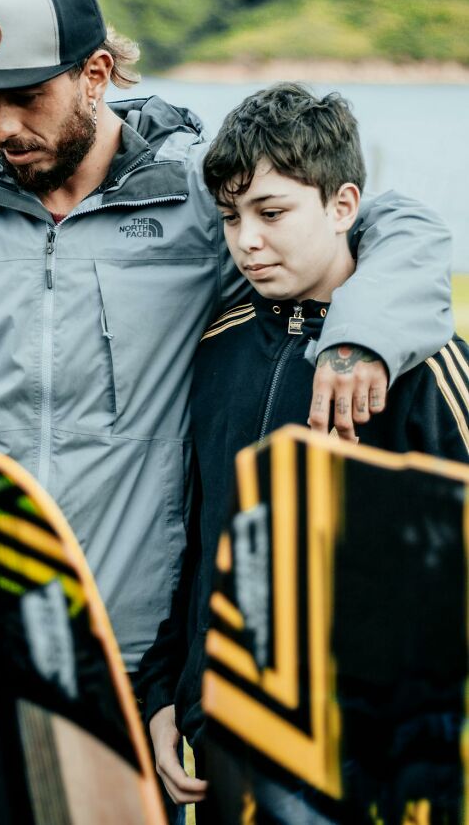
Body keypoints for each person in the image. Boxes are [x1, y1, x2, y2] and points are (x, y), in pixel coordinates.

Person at [0, 0, 453, 683]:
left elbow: (388, 227)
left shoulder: (202, 203)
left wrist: (360, 338)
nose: (3, 127)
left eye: (27, 97)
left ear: (95, 73)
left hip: (128, 651)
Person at [141, 82, 468, 820]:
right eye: (231, 218)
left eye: (272, 212)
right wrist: (165, 694)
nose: (246, 241)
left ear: (343, 206)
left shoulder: (425, 367)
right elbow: (192, 541)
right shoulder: (215, 349)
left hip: (377, 764)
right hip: (223, 738)